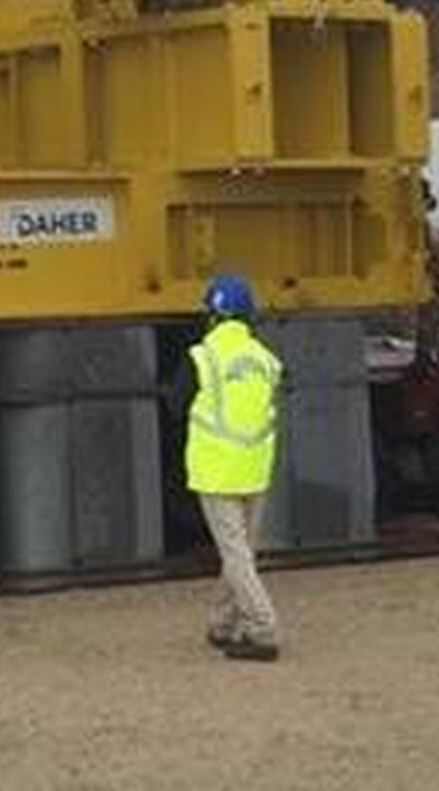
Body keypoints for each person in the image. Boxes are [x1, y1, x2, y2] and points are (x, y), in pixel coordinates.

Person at [183, 274, 284, 662]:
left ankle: (263, 629)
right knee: (241, 553)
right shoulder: (265, 358)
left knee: (235, 555)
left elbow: (176, 400)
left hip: (215, 469)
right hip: (255, 467)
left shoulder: (203, 356)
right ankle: (222, 624)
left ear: (214, 315)